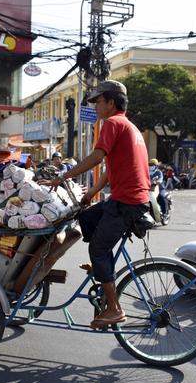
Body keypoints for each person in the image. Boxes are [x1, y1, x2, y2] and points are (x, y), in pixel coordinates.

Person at [41, 80, 150, 328]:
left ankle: (113, 308)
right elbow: (111, 170)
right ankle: (104, 271)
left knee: (98, 249)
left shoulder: (112, 123)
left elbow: (97, 157)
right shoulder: (129, 126)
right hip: (130, 199)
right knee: (87, 218)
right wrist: (90, 193)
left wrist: (63, 176)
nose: (96, 106)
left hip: (127, 202)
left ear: (111, 102)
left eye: (98, 101)